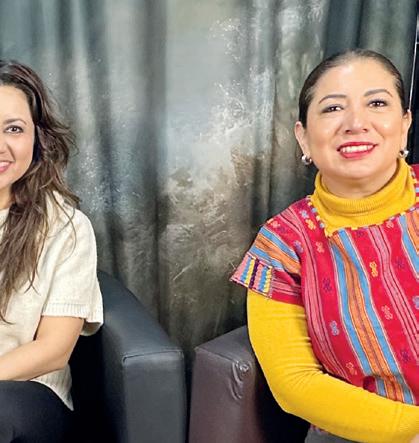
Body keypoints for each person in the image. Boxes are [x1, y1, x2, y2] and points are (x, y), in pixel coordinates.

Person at [231, 49, 419, 443]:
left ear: (404, 125)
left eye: (377, 103)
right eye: (333, 108)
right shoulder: (282, 244)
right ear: (303, 136)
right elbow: (295, 384)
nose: (356, 123)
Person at [0, 60, 103, 442]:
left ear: (37, 138)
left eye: (13, 128)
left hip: (26, 396)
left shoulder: (66, 228)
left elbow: (54, 349)